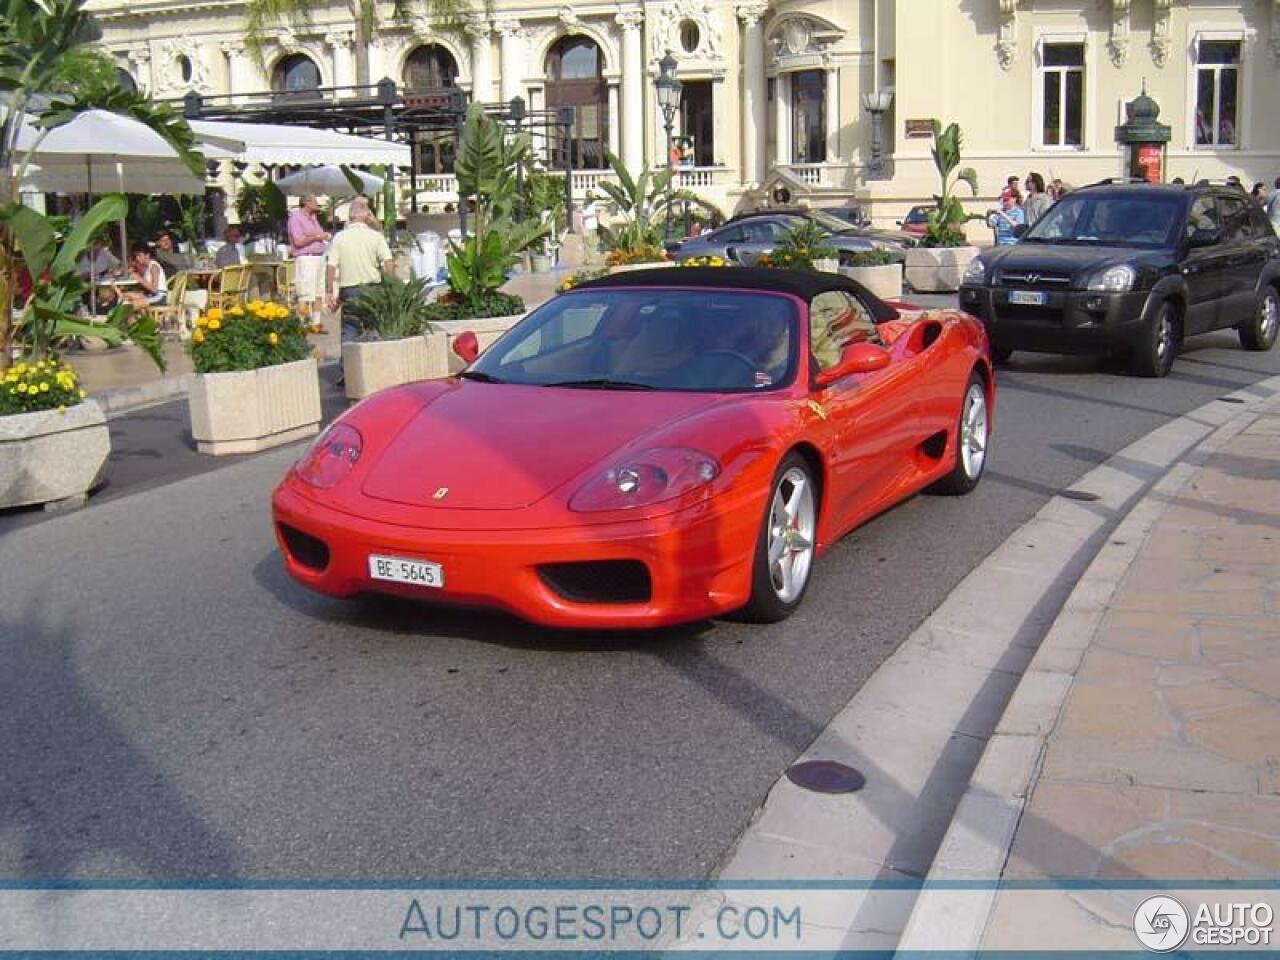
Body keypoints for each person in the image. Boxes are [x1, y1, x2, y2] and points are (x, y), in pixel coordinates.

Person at [326, 196, 392, 342]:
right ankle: (372, 360)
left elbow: (331, 266)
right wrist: (389, 284)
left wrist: (329, 291)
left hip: (349, 289)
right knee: (373, 327)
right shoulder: (376, 236)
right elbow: (388, 262)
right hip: (373, 288)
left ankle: (349, 363)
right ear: (367, 216)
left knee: (350, 327)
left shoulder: (339, 237)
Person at [288, 194, 331, 316]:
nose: (317, 204)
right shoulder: (296, 218)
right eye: (315, 201)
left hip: (319, 257)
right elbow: (298, 241)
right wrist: (317, 237)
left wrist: (324, 236)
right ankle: (304, 322)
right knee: (305, 293)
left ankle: (316, 322)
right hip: (306, 257)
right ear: (307, 202)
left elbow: (320, 234)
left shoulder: (313, 218)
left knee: (318, 292)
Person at [120, 242, 167, 308]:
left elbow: (154, 289)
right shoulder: (146, 267)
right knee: (125, 296)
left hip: (159, 297)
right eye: (136, 256)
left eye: (139, 255)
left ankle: (133, 317)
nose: (137, 258)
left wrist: (139, 278)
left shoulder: (154, 267)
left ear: (147, 255)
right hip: (150, 295)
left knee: (129, 306)